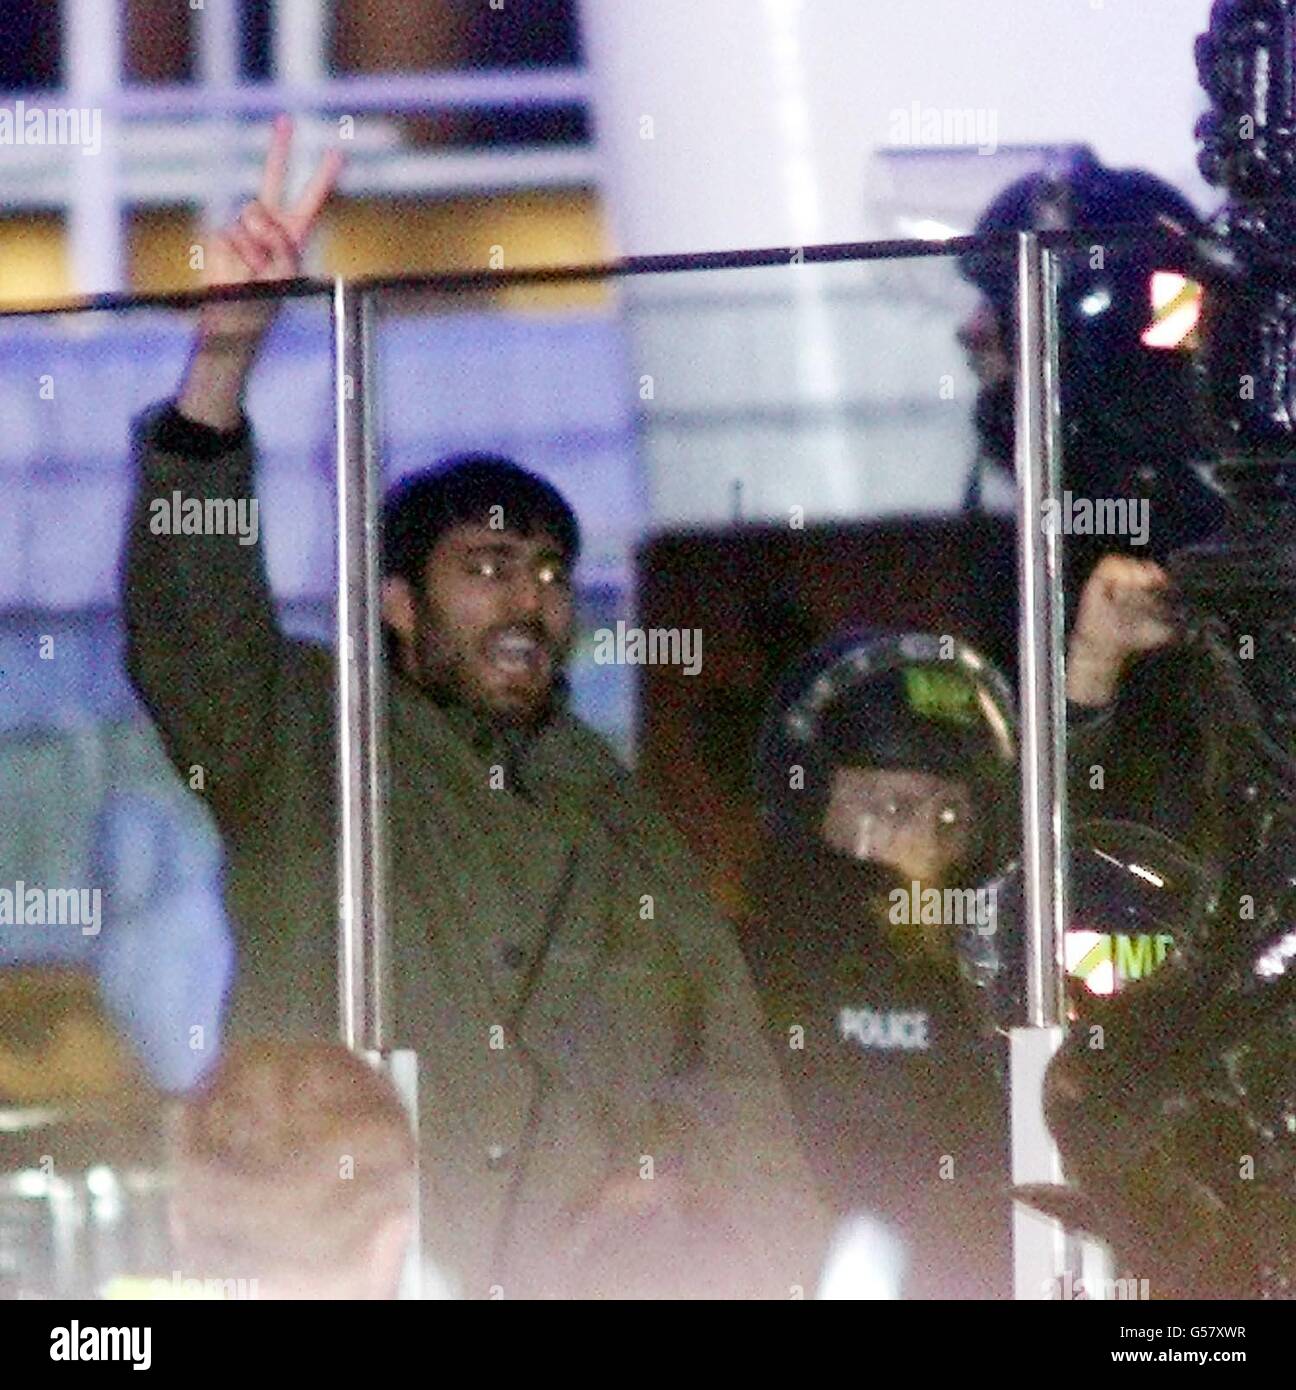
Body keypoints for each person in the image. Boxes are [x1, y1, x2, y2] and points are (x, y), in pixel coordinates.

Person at [121, 117, 830, 1299]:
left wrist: (721, 1230)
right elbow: (190, 618)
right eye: (488, 565)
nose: (530, 600)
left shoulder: (615, 814)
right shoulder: (304, 736)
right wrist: (221, 369)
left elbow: (731, 1078)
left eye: (551, 571)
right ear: (396, 603)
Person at [747, 630, 1017, 1298]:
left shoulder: (1014, 983)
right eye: (890, 808)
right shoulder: (742, 981)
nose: (923, 844)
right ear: (806, 805)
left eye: (951, 814)